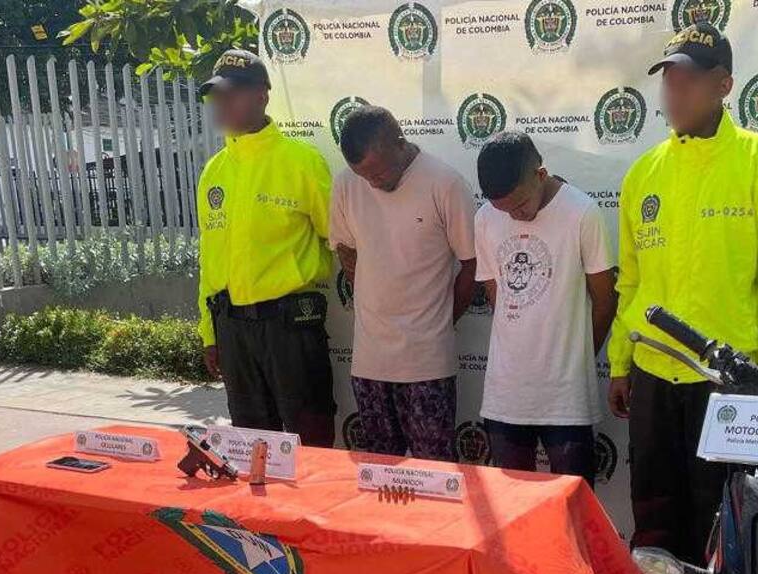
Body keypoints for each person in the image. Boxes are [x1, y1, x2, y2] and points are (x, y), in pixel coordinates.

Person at [608, 23, 758, 574]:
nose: (675, 92)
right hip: (653, 374)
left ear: (723, 85)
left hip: (727, 382)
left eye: (689, 80)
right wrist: (620, 362)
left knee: (720, 514)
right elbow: (631, 282)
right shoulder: (644, 173)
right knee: (654, 508)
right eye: (668, 80)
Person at [195, 49, 336, 446]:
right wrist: (210, 333)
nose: (223, 103)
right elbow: (210, 260)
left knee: (310, 439)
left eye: (233, 93)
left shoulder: (301, 162)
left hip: (289, 327)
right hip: (232, 329)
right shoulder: (214, 172)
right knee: (252, 443)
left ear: (262, 95)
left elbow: (341, 239)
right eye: (217, 95)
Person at [330, 106, 477, 461]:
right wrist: (370, 297)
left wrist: (442, 322)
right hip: (369, 361)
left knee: (434, 472)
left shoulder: (445, 183)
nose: (373, 183)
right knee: (381, 472)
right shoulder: (346, 183)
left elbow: (472, 264)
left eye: (379, 172)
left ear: (399, 142)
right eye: (364, 175)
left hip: (427, 363)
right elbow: (345, 246)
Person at [473, 132, 616, 486]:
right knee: (510, 502)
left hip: (566, 397)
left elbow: (605, 301)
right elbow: (496, 294)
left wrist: (575, 360)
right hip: (505, 394)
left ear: (540, 175)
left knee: (572, 504)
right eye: (504, 210)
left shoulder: (581, 212)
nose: (516, 216)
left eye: (521, 205)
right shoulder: (485, 218)